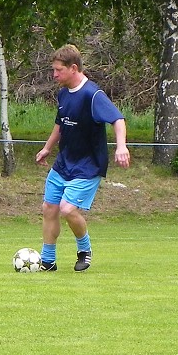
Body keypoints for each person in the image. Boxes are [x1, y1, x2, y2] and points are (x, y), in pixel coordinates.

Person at [35, 44, 130, 272]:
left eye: (58, 70)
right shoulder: (63, 93)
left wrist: (121, 146)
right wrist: (48, 148)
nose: (54, 75)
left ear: (74, 68)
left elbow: (118, 119)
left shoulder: (92, 94)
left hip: (88, 166)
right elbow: (61, 123)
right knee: (49, 208)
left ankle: (84, 250)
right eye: (53, 70)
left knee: (68, 209)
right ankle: (48, 261)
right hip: (63, 163)